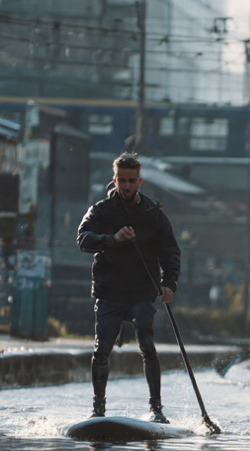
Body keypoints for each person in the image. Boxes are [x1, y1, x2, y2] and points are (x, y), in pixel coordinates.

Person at [77, 152, 181, 422]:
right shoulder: (100, 210)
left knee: (147, 344)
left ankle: (156, 410)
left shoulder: (153, 214)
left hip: (142, 292)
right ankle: (98, 410)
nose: (125, 186)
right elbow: (83, 239)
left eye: (131, 181)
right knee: (101, 350)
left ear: (140, 182)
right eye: (121, 180)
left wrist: (169, 284)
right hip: (109, 291)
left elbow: (170, 252)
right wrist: (111, 239)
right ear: (114, 180)